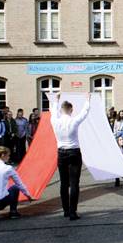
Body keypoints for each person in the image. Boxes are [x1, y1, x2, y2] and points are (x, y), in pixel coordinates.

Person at [50, 92, 92, 220]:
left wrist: (56, 100)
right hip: (74, 151)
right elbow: (84, 112)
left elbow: (53, 112)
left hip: (61, 152)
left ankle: (66, 210)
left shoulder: (55, 121)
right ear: (71, 110)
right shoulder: (73, 120)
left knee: (64, 183)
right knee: (74, 183)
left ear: (61, 110)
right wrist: (87, 99)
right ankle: (73, 212)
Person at [0, 146, 33, 221]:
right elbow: (19, 184)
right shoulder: (8, 168)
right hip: (2, 201)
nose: (9, 157)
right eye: (8, 155)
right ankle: (13, 212)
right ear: (3, 155)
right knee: (15, 188)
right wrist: (28, 195)